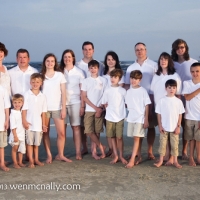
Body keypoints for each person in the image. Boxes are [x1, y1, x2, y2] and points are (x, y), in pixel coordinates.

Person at [125, 42, 157, 160]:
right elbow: (127, 86)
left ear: (146, 50)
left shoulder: (154, 65)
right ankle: (138, 152)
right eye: (137, 50)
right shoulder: (130, 68)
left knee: (150, 126)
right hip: (135, 101)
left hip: (150, 98)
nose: (140, 51)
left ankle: (149, 151)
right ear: (135, 52)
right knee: (138, 127)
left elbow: (157, 82)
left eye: (142, 49)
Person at [41, 53, 72, 164]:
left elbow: (63, 93)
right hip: (44, 109)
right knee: (46, 133)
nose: (50, 63)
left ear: (55, 63)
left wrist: (63, 108)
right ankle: (49, 155)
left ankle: (61, 155)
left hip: (57, 108)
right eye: (48, 61)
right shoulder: (41, 75)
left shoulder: (59, 75)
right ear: (45, 62)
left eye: (52, 61)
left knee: (62, 133)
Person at [171, 39, 198, 159]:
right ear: (174, 49)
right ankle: (172, 152)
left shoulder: (193, 62)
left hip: (190, 99)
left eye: (182, 47)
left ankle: (184, 151)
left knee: (186, 124)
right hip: (175, 96)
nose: (180, 50)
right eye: (177, 48)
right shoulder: (172, 63)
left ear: (186, 48)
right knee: (175, 124)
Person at [60, 49, 85, 160]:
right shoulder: (59, 72)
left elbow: (83, 90)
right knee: (62, 129)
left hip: (75, 102)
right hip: (62, 103)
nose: (67, 59)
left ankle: (78, 152)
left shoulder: (79, 72)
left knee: (76, 127)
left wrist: (83, 105)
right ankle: (61, 153)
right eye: (65, 57)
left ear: (73, 58)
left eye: (69, 57)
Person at [154, 79, 185, 168]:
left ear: (176, 89)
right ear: (166, 88)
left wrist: (178, 126)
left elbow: (180, 115)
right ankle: (160, 160)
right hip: (164, 127)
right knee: (162, 145)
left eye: (174, 88)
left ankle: (175, 161)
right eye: (169, 87)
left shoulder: (178, 101)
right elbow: (158, 114)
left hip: (174, 127)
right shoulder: (161, 101)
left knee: (175, 145)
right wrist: (160, 126)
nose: (172, 89)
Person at [81, 60, 107, 160]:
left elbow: (105, 95)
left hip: (100, 109)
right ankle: (101, 146)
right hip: (89, 109)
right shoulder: (86, 81)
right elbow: (84, 96)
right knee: (88, 131)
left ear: (98, 69)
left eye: (95, 68)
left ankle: (94, 152)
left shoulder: (103, 80)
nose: (93, 70)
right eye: (91, 68)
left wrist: (100, 108)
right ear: (88, 68)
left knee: (97, 132)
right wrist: (94, 108)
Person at [125, 70, 151, 168]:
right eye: (132, 78)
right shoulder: (128, 91)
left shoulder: (143, 91)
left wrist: (146, 119)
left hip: (140, 117)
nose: (133, 80)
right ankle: (139, 157)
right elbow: (127, 104)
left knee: (136, 137)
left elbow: (147, 105)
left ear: (140, 80)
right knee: (136, 138)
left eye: (136, 79)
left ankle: (132, 159)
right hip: (131, 117)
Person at [101, 69, 127, 164]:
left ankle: (121, 156)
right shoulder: (107, 90)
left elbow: (127, 102)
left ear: (119, 79)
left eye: (115, 77)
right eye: (111, 77)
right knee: (112, 136)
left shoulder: (122, 90)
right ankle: (116, 156)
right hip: (109, 117)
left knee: (119, 137)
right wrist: (105, 106)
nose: (113, 79)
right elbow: (104, 102)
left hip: (120, 117)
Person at [22, 73, 47, 168]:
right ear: (30, 82)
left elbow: (43, 112)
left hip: (38, 124)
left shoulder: (42, 96)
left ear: (41, 83)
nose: (35, 84)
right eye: (33, 82)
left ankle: (36, 159)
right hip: (29, 123)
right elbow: (24, 109)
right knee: (29, 143)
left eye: (37, 82)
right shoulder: (27, 94)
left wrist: (44, 124)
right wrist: (24, 121)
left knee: (36, 144)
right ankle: (31, 161)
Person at [103, 51, 125, 156]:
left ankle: (118, 153)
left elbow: (119, 93)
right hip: (106, 107)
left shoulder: (119, 74)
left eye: (113, 59)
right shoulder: (103, 74)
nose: (110, 61)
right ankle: (112, 150)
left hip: (117, 109)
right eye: (108, 59)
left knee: (118, 134)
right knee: (109, 131)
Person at [182, 62, 200, 166]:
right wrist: (198, 90)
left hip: (199, 117)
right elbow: (187, 97)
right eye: (193, 71)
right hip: (189, 116)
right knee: (191, 138)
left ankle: (199, 157)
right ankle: (191, 158)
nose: (195, 73)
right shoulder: (187, 83)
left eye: (197, 71)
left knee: (198, 138)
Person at [9, 94, 26, 169]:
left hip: (22, 134)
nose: (17, 104)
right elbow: (13, 126)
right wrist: (15, 136)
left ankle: (20, 162)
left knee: (21, 149)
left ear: (22, 103)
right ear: (12, 103)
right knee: (15, 148)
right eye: (15, 102)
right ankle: (15, 163)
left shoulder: (22, 112)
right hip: (15, 134)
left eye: (19, 102)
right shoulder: (13, 113)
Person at [0, 85, 10, 171]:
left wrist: (7, 120)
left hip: (1, 121)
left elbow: (7, 106)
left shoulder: (3, 89)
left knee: (1, 145)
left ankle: (2, 163)